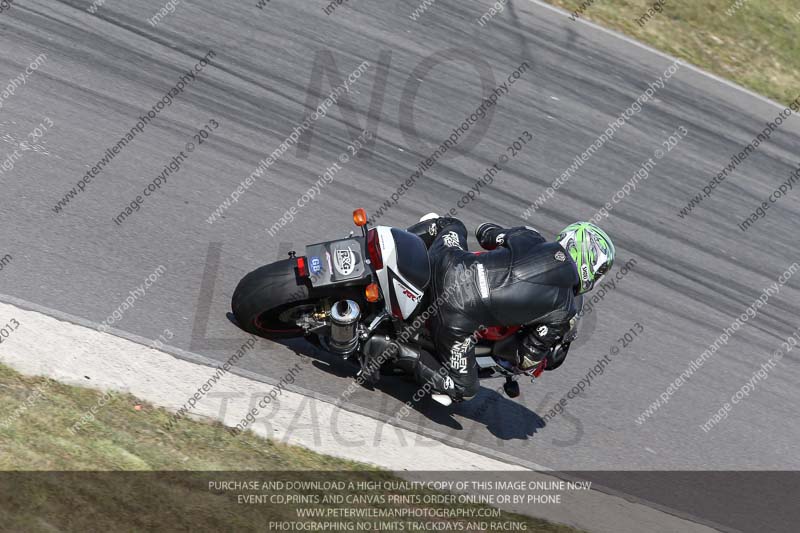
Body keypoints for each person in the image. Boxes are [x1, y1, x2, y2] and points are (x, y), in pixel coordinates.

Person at [378, 215, 615, 404]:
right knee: (465, 388)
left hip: (448, 261)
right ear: (592, 266)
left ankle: (396, 250)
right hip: (455, 317)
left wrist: (506, 238)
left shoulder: (530, 236)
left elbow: (484, 232)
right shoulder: (564, 310)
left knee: (450, 224)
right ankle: (396, 350)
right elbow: (527, 359)